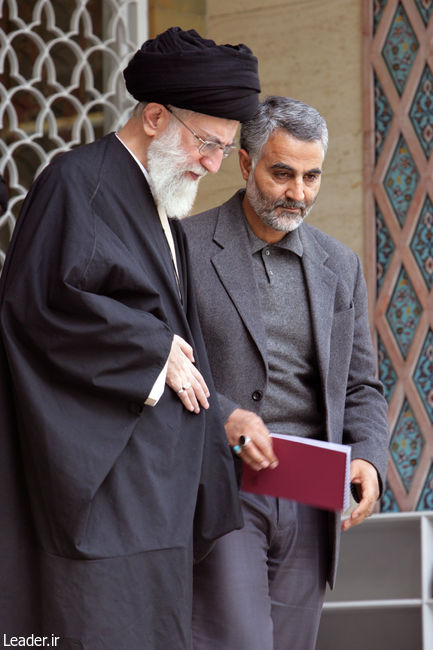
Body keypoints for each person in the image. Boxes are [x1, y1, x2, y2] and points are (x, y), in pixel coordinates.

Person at [0, 27, 261, 649]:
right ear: (153, 116)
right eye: (206, 143)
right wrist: (149, 349)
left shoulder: (161, 203)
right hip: (101, 493)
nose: (213, 164)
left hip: (156, 491)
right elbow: (35, 309)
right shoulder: (75, 182)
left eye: (224, 149)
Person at [183, 95, 389, 650]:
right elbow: (162, 360)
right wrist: (225, 416)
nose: (298, 193)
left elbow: (361, 385)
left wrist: (369, 457)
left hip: (313, 494)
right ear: (247, 164)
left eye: (311, 175)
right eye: (282, 174)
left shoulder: (339, 264)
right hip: (222, 486)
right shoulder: (184, 245)